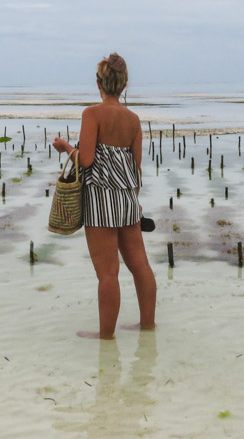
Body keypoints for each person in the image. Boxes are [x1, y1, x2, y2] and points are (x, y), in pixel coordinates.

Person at [52, 53, 157, 339]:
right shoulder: (133, 119)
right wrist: (134, 200)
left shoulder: (92, 114)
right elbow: (136, 167)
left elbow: (85, 160)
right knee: (140, 265)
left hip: (100, 199)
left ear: (99, 83)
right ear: (123, 85)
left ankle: (106, 336)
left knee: (107, 273)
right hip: (127, 198)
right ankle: (148, 326)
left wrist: (64, 147)